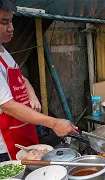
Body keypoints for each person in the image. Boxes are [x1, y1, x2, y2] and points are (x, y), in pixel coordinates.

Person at [0, 0, 78, 162]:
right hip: (5, 143)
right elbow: (8, 106)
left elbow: (22, 78)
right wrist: (54, 123)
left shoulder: (3, 51)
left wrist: (31, 94)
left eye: (11, 21)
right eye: (4, 22)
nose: (11, 28)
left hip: (24, 129)